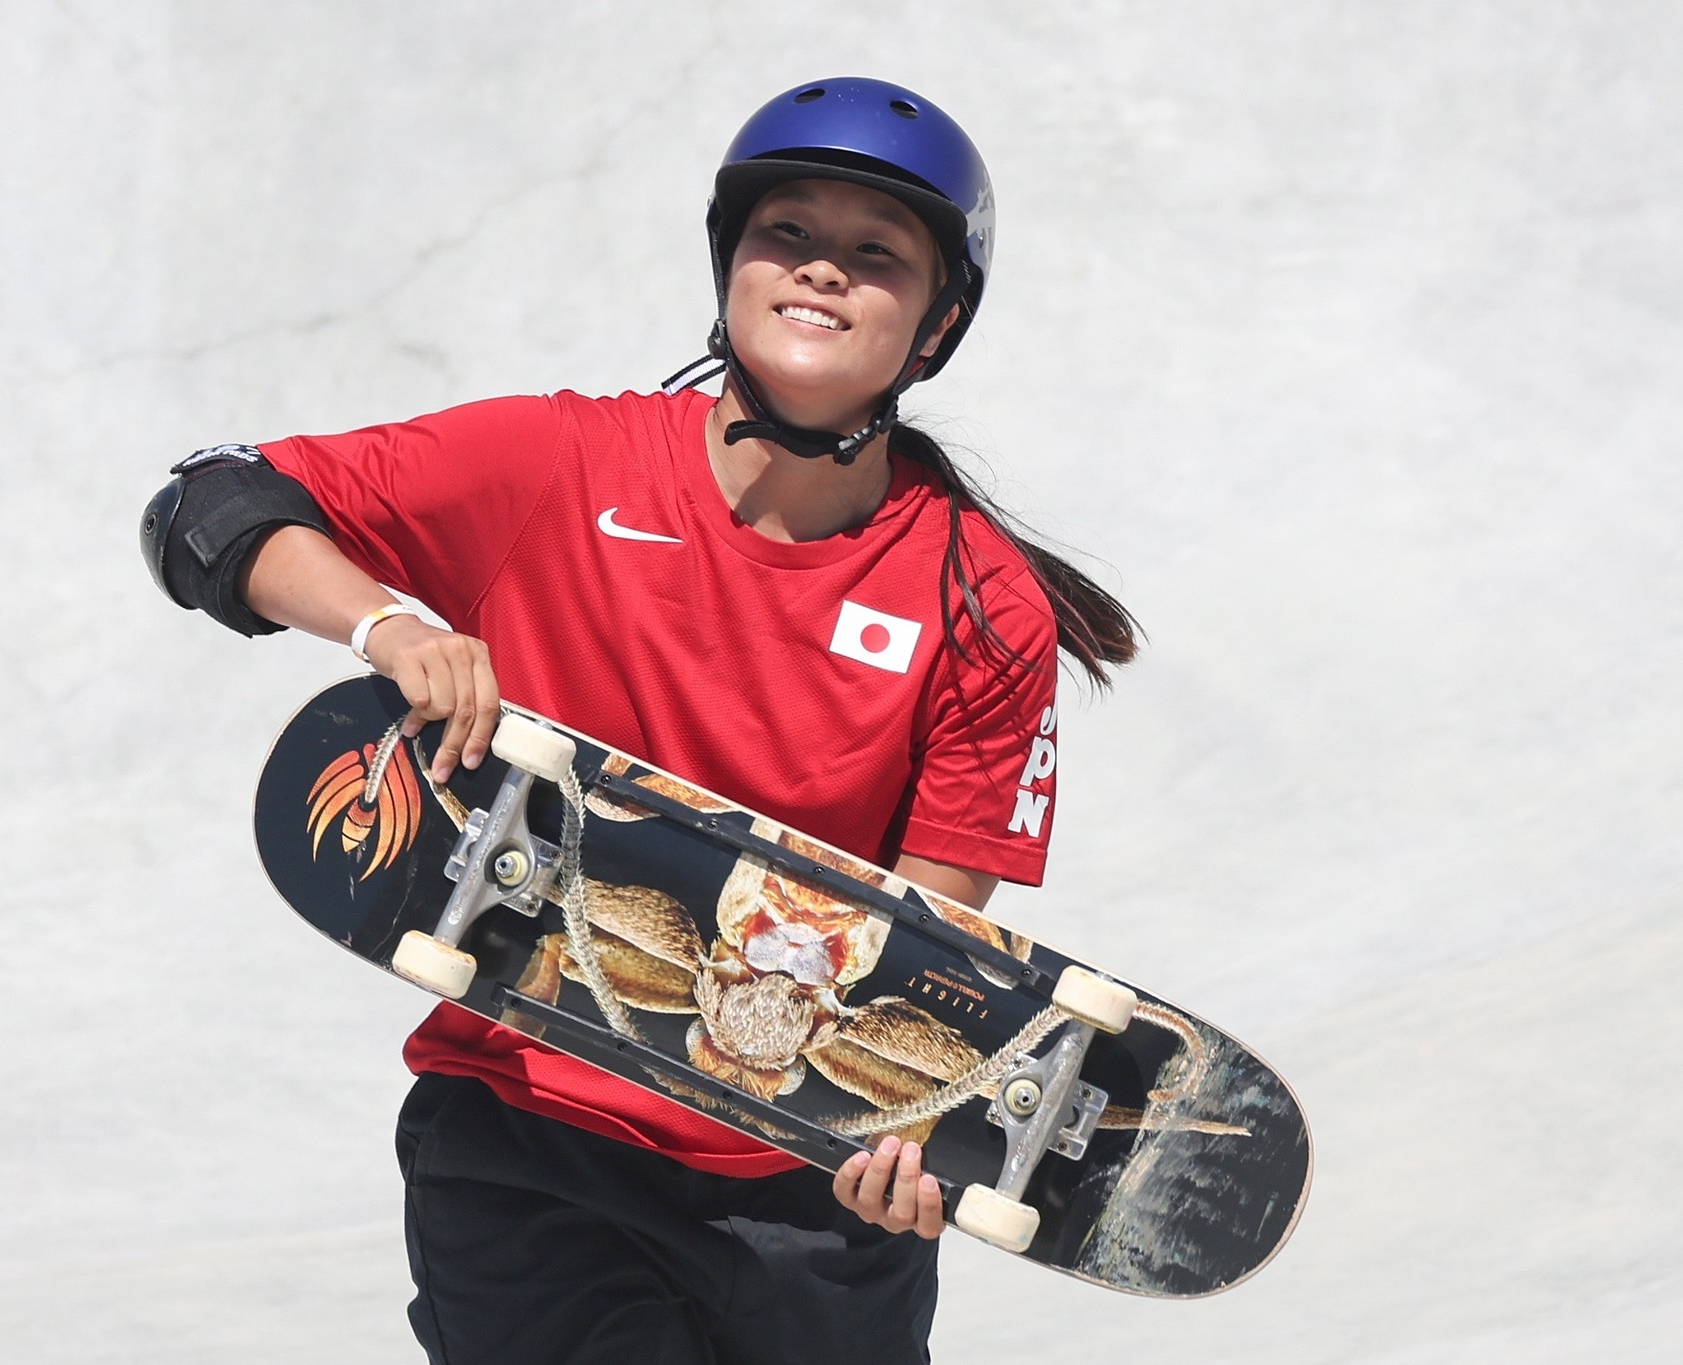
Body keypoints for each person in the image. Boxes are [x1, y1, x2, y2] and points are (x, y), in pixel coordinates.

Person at [141, 76, 1137, 1365]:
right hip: (532, 1140)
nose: (822, 270)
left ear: (937, 323)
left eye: (875, 254)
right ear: (730, 265)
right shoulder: (559, 467)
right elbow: (212, 505)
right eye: (788, 233)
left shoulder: (983, 603)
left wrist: (895, 1138)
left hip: (809, 1199)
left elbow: (923, 941)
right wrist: (388, 625)